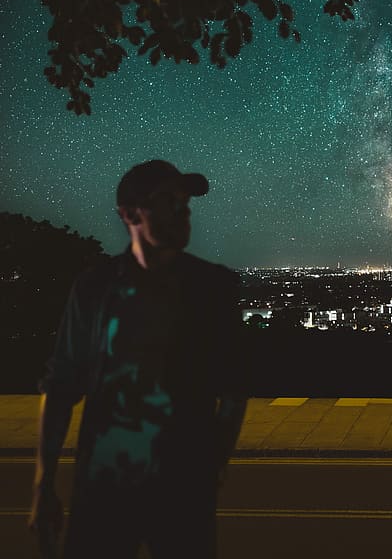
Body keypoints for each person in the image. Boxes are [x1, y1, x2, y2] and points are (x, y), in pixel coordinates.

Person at [28, 160, 248, 558]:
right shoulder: (95, 288)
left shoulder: (213, 287)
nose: (183, 211)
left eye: (184, 202)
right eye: (168, 202)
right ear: (129, 214)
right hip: (103, 489)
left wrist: (213, 464)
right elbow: (61, 386)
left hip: (183, 490)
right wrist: (44, 487)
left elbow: (233, 388)